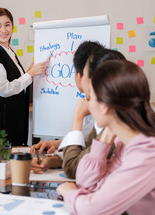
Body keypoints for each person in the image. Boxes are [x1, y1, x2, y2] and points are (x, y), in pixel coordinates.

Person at [57, 60, 155, 214]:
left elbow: (92, 210)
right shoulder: (124, 142)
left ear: (105, 106)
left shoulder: (147, 153)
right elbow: (87, 183)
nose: (89, 106)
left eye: (90, 98)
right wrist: (103, 141)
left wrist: (70, 193)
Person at [31, 47, 125, 178]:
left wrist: (78, 117)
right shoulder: (109, 125)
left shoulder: (114, 125)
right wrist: (56, 158)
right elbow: (87, 154)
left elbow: (75, 169)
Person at [0, 8, 47, 146]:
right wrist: (30, 74)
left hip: (13, 119)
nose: (4, 30)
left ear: (12, 26)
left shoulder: (9, 52)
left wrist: (30, 72)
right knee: (0, 163)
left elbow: (14, 81)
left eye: (7, 25)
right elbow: (5, 89)